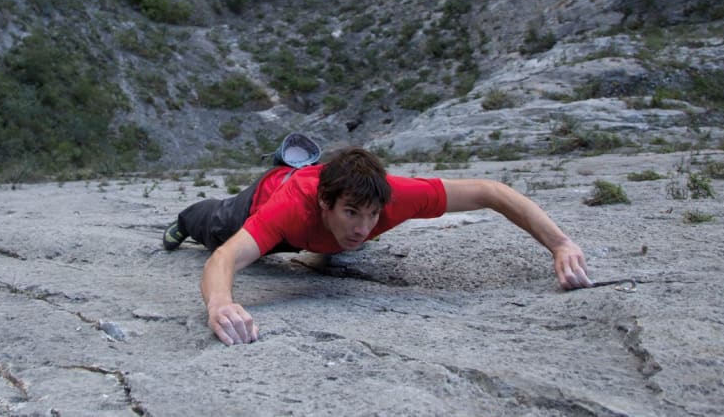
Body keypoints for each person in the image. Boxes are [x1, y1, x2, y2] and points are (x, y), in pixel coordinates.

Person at [162, 146, 592, 346]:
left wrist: (560, 244)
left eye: (372, 215)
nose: (364, 227)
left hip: (316, 215)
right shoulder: (290, 207)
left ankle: (304, 166)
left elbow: (490, 191)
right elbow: (225, 259)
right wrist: (219, 304)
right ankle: (184, 220)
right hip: (262, 201)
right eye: (352, 213)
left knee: (338, 249)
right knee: (212, 225)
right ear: (325, 202)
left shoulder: (395, 195)